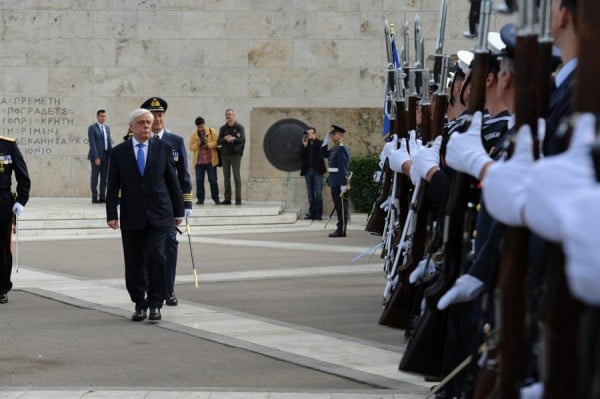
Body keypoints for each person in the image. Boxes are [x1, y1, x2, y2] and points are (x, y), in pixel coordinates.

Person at [106, 108, 184, 322]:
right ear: (131, 127)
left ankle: (156, 304)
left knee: (157, 257)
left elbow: (172, 182)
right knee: (134, 261)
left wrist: (179, 211)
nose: (147, 126)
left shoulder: (164, 149)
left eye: (149, 122)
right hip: (132, 215)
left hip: (160, 213)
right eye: (141, 123)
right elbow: (112, 186)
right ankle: (140, 303)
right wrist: (111, 214)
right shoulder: (119, 152)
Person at [140, 97, 192, 307]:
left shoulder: (175, 141)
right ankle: (149, 290)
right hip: (146, 207)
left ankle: (168, 290)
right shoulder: (138, 141)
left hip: (169, 207)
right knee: (147, 250)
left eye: (161, 115)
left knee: (170, 245)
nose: (158, 119)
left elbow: (183, 175)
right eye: (154, 116)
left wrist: (186, 205)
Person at [0, 137, 31, 304]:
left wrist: (21, 200)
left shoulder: (8, 145)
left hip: (2, 200)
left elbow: (23, 175)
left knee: (2, 248)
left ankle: (1, 288)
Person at [321, 125, 350, 238]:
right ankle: (340, 228)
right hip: (334, 180)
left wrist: (343, 184)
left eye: (333, 134)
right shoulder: (335, 148)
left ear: (339, 135)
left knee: (342, 207)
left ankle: (342, 230)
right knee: (339, 206)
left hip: (339, 181)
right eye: (331, 134)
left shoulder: (341, 148)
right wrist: (325, 142)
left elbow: (342, 167)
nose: (332, 136)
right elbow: (323, 154)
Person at [189, 116, 220, 205]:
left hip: (211, 161)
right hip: (199, 163)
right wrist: (197, 145)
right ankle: (200, 199)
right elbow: (191, 147)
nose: (200, 128)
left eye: (202, 126)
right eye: (199, 127)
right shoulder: (194, 135)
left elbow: (217, 143)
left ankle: (216, 198)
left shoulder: (211, 131)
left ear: (204, 124)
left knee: (213, 180)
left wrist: (207, 145)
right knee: (199, 181)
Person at [217, 108, 245, 205]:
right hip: (225, 155)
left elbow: (243, 139)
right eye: (227, 115)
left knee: (236, 177)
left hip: (236, 155)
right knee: (226, 177)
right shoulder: (223, 128)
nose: (228, 116)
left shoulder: (239, 127)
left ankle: (238, 200)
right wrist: (224, 138)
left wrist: (234, 138)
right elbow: (218, 141)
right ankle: (227, 199)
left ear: (233, 115)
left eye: (230, 114)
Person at [300, 127, 326, 220]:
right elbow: (301, 156)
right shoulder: (305, 143)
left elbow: (322, 153)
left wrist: (315, 140)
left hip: (318, 171)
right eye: (307, 133)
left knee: (318, 193)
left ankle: (319, 214)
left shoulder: (320, 143)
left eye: (310, 133)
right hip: (308, 171)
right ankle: (312, 213)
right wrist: (305, 146)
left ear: (314, 133)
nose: (308, 135)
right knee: (310, 194)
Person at [87, 109, 112, 204]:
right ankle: (94, 197)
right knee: (95, 178)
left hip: (106, 156)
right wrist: (96, 157)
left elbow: (109, 143)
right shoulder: (92, 128)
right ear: (97, 117)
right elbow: (92, 144)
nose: (103, 117)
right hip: (96, 156)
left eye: (104, 116)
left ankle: (102, 197)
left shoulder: (107, 128)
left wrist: (111, 156)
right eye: (101, 116)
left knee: (104, 178)